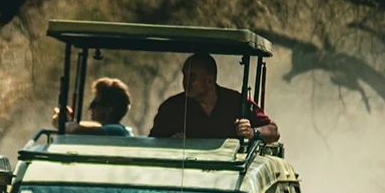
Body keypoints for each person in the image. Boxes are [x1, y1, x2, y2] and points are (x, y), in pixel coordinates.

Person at [149, 53, 280, 143]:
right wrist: (169, 142)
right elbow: (152, 143)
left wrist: (253, 132)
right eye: (185, 76)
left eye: (192, 77)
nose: (185, 82)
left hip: (230, 175)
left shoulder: (236, 101)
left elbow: (273, 130)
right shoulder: (171, 107)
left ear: (210, 80)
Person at [52, 77, 132, 136]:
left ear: (108, 109)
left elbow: (76, 130)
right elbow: (82, 127)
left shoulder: (117, 131)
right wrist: (68, 121)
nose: (90, 108)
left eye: (94, 104)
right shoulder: (116, 131)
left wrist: (61, 123)